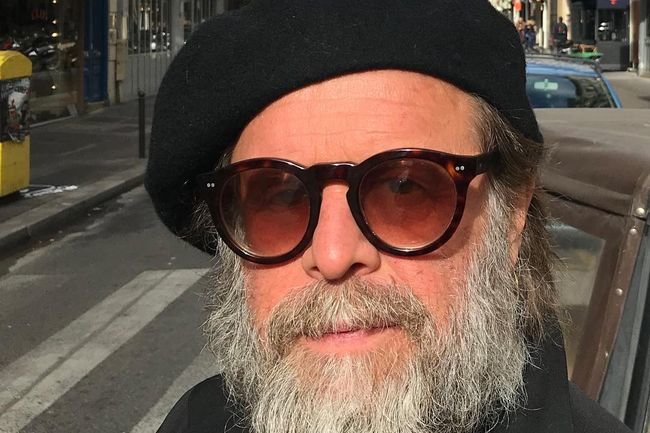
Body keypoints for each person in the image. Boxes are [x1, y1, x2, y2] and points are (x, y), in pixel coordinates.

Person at [145, 1, 632, 432]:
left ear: (512, 218)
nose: (333, 255)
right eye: (279, 197)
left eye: (405, 189)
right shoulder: (197, 422)